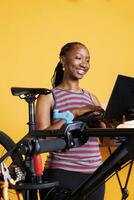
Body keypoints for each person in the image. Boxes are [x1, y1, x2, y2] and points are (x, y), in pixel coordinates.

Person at [36, 42, 105, 200]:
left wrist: (112, 123)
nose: (84, 64)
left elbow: (104, 141)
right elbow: (42, 138)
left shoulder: (92, 98)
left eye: (87, 60)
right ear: (63, 60)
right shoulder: (48, 97)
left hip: (96, 176)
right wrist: (74, 113)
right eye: (78, 58)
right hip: (63, 175)